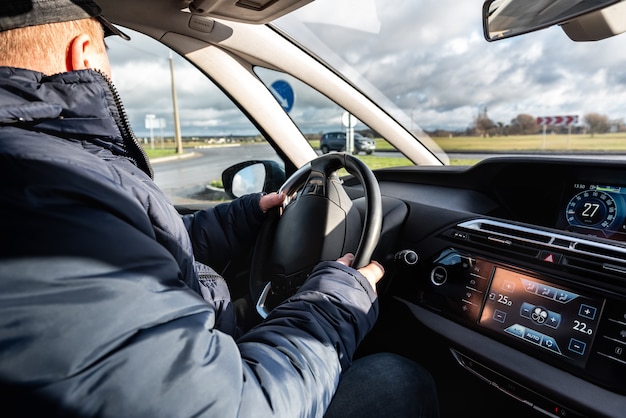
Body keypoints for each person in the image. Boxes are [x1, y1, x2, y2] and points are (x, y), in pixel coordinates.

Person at [0, 1, 439, 417]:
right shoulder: (43, 184)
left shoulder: (41, 173)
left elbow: (128, 247)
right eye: (108, 51)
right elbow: (231, 406)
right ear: (84, 55)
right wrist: (336, 303)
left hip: (206, 358)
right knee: (401, 380)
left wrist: (239, 219)